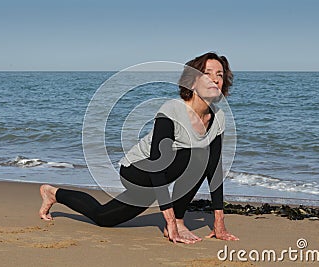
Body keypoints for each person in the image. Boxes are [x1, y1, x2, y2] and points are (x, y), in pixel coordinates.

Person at [39, 52, 239, 244]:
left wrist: (219, 223)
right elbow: (157, 163)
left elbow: (214, 169)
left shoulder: (218, 116)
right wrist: (171, 223)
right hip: (137, 169)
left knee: (103, 217)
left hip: (159, 179)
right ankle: (178, 220)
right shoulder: (171, 110)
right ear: (193, 82)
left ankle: (53, 193)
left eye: (219, 75)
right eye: (207, 74)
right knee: (196, 154)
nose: (215, 79)